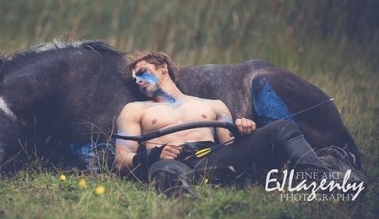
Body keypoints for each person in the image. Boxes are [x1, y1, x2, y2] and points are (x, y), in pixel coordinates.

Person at [114, 52, 331, 198]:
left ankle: (320, 178)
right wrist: (154, 155)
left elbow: (230, 143)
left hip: (215, 160)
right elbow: (121, 162)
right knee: (164, 171)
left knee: (283, 128)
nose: (139, 81)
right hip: (172, 163)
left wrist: (244, 128)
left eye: (142, 73)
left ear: (163, 68)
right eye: (135, 79)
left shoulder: (213, 105)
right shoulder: (135, 110)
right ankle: (188, 208)